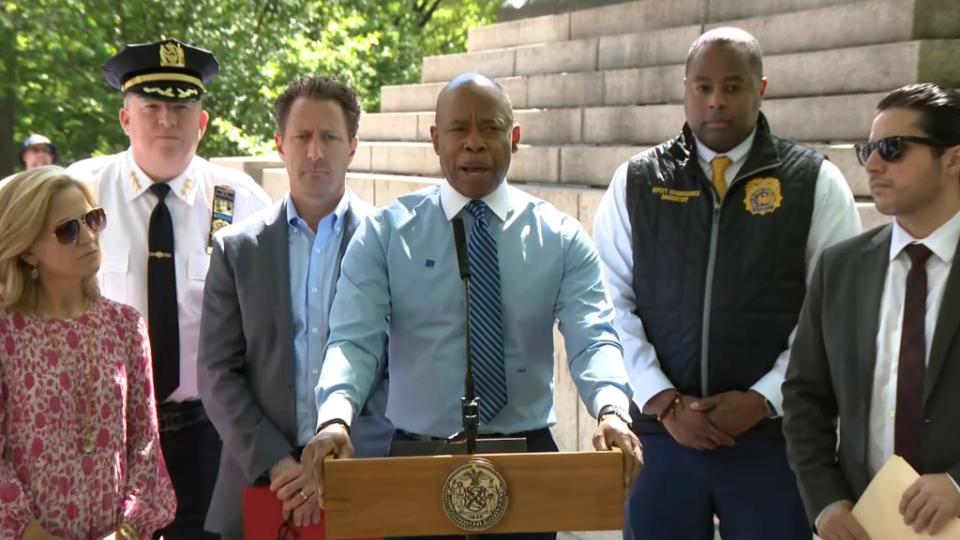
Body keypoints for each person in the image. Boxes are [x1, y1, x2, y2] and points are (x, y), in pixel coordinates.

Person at [301, 72, 643, 540]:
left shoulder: (560, 238)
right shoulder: (385, 235)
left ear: (515, 137)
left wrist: (611, 409)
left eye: (491, 128)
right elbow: (353, 342)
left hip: (528, 461)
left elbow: (593, 337)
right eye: (459, 129)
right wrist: (335, 417)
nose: (475, 144)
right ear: (435, 139)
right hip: (416, 462)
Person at [592, 27, 862, 539]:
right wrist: (664, 401)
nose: (716, 101)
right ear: (685, 88)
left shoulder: (814, 183)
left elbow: (831, 313)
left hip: (774, 441)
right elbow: (610, 302)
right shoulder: (637, 181)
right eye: (703, 86)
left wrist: (763, 399)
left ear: (762, 88)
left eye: (733, 86)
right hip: (662, 437)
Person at [67, 38, 272, 539]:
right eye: (152, 107)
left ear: (201, 123)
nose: (167, 121)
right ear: (125, 120)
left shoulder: (242, 202)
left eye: (182, 108)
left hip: (208, 431)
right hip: (103, 431)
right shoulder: (79, 193)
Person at [197, 75, 393, 539]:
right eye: (302, 137)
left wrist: (334, 463)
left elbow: (404, 365)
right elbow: (216, 371)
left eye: (329, 137)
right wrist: (280, 465)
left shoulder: (391, 244)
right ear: (279, 144)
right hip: (260, 483)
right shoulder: (236, 249)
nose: (314, 152)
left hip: (363, 483)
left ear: (353, 147)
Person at [783, 82, 960, 540]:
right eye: (868, 150)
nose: (873, 165)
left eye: (893, 148)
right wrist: (825, 502)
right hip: (863, 526)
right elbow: (804, 397)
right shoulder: (841, 268)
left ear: (954, 159)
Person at [0, 166, 176, 540]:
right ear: (28, 250)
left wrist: (125, 533)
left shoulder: (125, 324)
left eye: (92, 220)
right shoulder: (5, 331)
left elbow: (145, 446)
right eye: (67, 230)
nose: (87, 237)